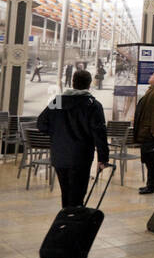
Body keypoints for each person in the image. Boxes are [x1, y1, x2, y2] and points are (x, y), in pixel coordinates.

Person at [37, 68, 109, 209]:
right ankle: (73, 223)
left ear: (72, 82)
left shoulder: (58, 101)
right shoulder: (92, 105)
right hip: (81, 157)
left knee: (66, 192)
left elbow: (41, 124)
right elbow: (99, 133)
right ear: (89, 84)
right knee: (78, 195)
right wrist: (103, 158)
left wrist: (57, 134)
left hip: (60, 155)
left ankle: (66, 219)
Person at [134, 69, 154, 194]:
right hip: (147, 132)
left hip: (151, 134)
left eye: (153, 75)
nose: (150, 76)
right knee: (148, 160)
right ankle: (151, 183)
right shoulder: (153, 89)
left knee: (151, 161)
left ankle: (152, 185)